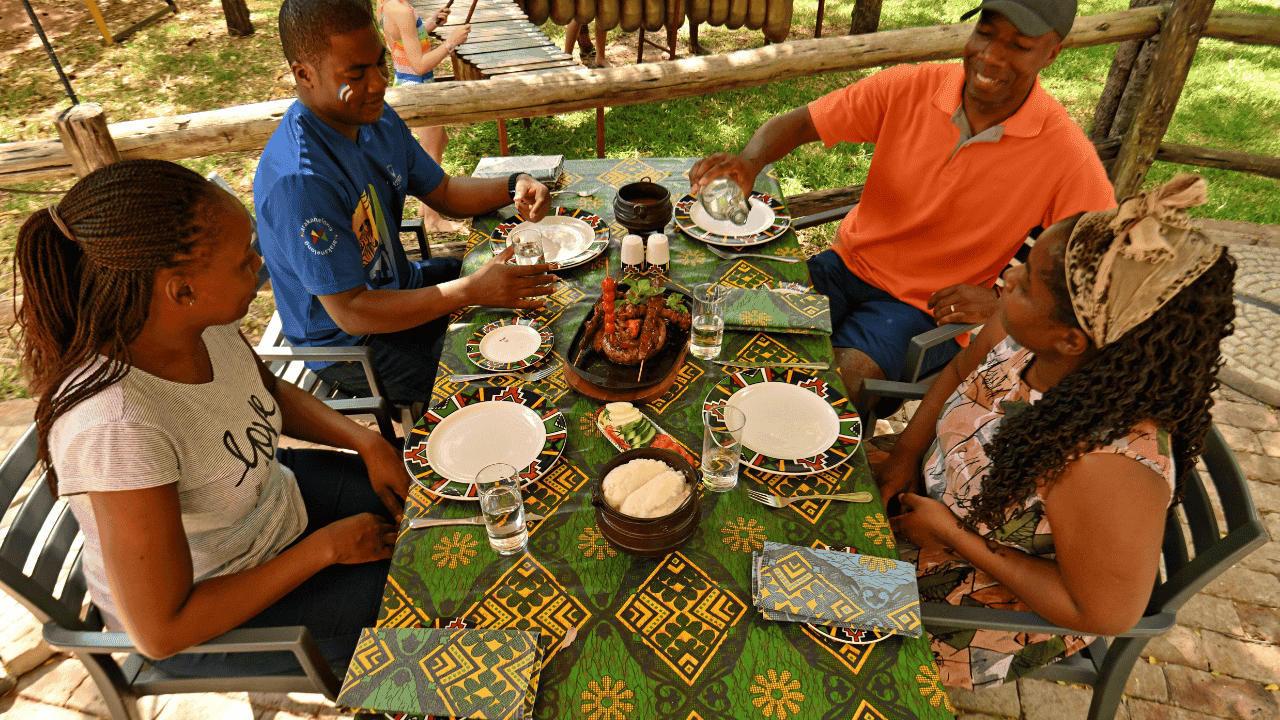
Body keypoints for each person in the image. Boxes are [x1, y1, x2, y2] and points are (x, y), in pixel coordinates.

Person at [15, 159, 408, 676]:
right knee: (424, 613)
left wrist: (368, 443)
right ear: (181, 290)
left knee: (438, 509)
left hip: (271, 505)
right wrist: (325, 550)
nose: (259, 263)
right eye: (243, 260)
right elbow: (163, 631)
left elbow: (264, 391)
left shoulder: (200, 324)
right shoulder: (118, 430)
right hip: (211, 614)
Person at [875, 174, 1236, 689]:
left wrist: (951, 534)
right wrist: (905, 454)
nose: (1007, 278)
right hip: (929, 507)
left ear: (1071, 339)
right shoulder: (1020, 335)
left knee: (782, 624)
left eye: (1023, 285)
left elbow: (1100, 614)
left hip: (978, 606)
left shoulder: (1108, 466)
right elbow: (960, 374)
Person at [689, 0, 1115, 398]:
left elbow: (1103, 265)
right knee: (732, 332)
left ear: (1052, 54)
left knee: (830, 388)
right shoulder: (910, 87)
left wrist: (1001, 301)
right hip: (844, 265)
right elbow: (800, 123)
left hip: (923, 311)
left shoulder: (1067, 154)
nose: (992, 56)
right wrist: (748, 161)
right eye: (985, 34)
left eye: (1019, 46)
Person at [256, 0, 556, 406]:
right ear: (304, 74)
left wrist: (512, 185)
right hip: (351, 345)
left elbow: (445, 193)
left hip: (400, 286)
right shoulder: (301, 181)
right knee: (502, 383)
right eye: (356, 73)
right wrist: (468, 290)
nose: (379, 82)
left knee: (535, 292)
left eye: (379, 63)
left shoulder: (372, 117)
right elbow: (353, 311)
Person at [377, 0, 471, 233]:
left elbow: (403, 40)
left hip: (409, 84)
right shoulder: (401, 10)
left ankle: (424, 205)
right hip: (417, 88)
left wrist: (429, 24)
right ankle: (432, 219)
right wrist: (451, 42)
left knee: (440, 141)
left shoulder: (386, 5)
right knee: (432, 153)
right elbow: (418, 65)